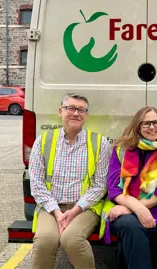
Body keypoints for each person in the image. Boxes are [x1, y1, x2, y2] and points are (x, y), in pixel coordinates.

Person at [29, 93, 111, 269]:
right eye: (70, 108)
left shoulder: (100, 143)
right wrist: (57, 213)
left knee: (72, 240)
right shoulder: (43, 141)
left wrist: (74, 211)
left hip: (84, 208)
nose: (76, 113)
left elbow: (100, 185)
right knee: (44, 242)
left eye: (81, 110)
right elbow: (36, 185)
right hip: (51, 207)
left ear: (86, 115)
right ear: (60, 111)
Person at [98, 106, 157, 269]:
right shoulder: (121, 150)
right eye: (146, 124)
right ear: (137, 126)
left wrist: (133, 209)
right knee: (131, 226)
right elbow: (114, 189)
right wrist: (136, 209)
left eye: (156, 123)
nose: (152, 127)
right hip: (119, 205)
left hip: (155, 207)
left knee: (133, 231)